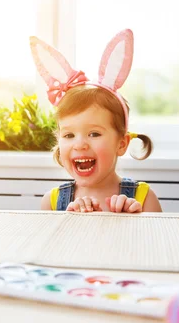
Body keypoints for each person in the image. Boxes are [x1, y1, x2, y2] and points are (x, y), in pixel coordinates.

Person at [29, 29, 162, 213]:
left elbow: (160, 242)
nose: (79, 144)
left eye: (94, 133)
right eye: (69, 135)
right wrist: (67, 224)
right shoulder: (51, 203)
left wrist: (134, 223)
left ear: (122, 144)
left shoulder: (144, 199)